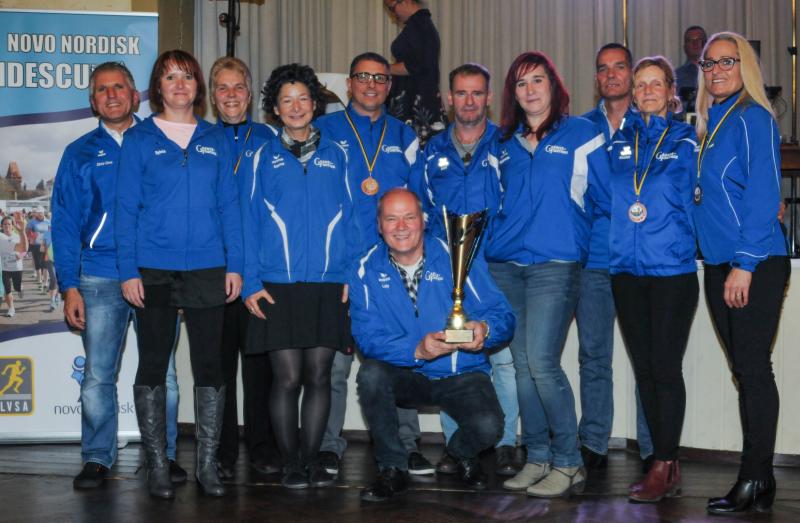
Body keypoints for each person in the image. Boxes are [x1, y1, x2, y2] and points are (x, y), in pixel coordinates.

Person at [51, 62, 188, 491]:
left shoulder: (162, 141)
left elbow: (179, 213)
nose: (111, 95)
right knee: (97, 375)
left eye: (118, 87)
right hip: (98, 277)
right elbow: (64, 224)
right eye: (101, 89)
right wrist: (69, 285)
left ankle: (163, 455)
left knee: (164, 374)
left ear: (135, 95)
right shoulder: (78, 153)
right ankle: (97, 457)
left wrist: (182, 278)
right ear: (93, 101)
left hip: (155, 276)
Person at [116, 50, 242, 499]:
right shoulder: (138, 139)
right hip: (152, 269)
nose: (180, 84)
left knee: (210, 365)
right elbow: (125, 208)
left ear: (197, 86)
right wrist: (127, 270)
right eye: (170, 77)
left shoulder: (215, 138)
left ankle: (207, 466)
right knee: (153, 363)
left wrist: (236, 265)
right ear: (157, 87)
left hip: (208, 267)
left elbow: (230, 207)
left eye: (187, 76)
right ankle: (157, 466)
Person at [486, 51, 610, 498]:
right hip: (507, 267)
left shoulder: (583, 134)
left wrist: (587, 252)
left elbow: (606, 200)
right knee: (521, 368)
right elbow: (492, 204)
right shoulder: (502, 143)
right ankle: (537, 456)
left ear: (553, 85)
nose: (530, 90)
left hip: (556, 266)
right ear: (513, 94)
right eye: (521, 83)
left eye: (537, 79)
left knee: (541, 363)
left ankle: (568, 461)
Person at [314, 51, 434, 477]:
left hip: (391, 270)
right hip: (338, 268)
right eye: (363, 77)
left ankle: (407, 445)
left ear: (389, 86)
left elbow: (420, 203)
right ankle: (327, 446)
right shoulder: (323, 130)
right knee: (334, 367)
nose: (371, 84)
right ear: (349, 83)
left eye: (380, 78)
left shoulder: (404, 135)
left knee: (399, 360)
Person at [352, 188, 513, 502]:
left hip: (460, 373)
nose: (401, 227)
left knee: (489, 427)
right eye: (391, 219)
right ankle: (392, 468)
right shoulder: (364, 269)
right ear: (379, 225)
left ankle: (460, 452)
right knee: (370, 375)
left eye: (409, 217)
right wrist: (415, 350)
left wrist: (485, 329)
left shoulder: (457, 255)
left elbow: (503, 315)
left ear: (423, 221)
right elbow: (367, 337)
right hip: (406, 372)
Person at [242, 63, 359, 489]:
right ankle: (290, 461)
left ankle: (311, 460)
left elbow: (354, 220)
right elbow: (247, 222)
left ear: (315, 104)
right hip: (277, 285)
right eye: (286, 100)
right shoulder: (261, 156)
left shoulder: (339, 154)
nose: (295, 107)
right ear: (275, 108)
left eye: (303, 99)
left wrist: (352, 275)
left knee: (319, 376)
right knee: (288, 378)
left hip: (329, 284)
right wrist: (250, 282)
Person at [694, 32, 790, 515]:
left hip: (751, 264)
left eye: (726, 62)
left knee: (753, 371)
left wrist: (745, 264)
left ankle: (753, 477)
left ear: (744, 65)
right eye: (709, 64)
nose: (716, 71)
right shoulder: (712, 124)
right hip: (720, 264)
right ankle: (761, 479)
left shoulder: (753, 117)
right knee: (745, 372)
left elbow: (762, 194)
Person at [417, 63, 521, 476]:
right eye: (461, 93)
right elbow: (422, 209)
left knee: (503, 361)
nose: (469, 101)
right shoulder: (432, 150)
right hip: (447, 271)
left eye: (477, 93)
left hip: (495, 266)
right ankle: (457, 445)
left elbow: (517, 204)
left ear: (489, 97)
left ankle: (507, 443)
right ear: (449, 99)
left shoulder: (507, 143)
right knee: (452, 356)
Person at [607, 56, 699, 503]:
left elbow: (707, 194)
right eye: (640, 84)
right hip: (626, 271)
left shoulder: (687, 141)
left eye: (655, 83)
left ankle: (663, 462)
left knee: (665, 368)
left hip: (672, 272)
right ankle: (668, 462)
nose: (646, 90)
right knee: (644, 371)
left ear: (670, 92)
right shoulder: (617, 143)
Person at [580, 43, 655, 472]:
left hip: (640, 257)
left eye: (619, 67)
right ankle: (593, 441)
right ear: (596, 78)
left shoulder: (651, 125)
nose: (611, 74)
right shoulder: (579, 128)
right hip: (594, 259)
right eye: (603, 68)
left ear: (631, 73)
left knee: (646, 356)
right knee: (593, 355)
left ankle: (652, 446)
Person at [207, 56, 281, 479]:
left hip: (258, 272)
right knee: (217, 368)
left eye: (238, 87)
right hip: (212, 271)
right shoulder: (200, 140)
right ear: (212, 95)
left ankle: (262, 446)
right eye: (223, 87)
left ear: (250, 94)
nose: (231, 95)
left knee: (259, 367)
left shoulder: (269, 138)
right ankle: (220, 449)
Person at [383, 0, 448, 144]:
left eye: (392, 9)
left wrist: (383, 68)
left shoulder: (419, 25)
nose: (393, 15)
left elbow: (416, 65)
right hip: (415, 99)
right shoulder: (420, 25)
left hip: (415, 103)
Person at [0, 215, 27, 317]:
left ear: (12, 226)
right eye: (4, 224)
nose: (7, 226)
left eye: (9, 224)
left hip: (17, 267)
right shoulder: (1, 237)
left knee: (17, 287)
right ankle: (11, 308)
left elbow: (25, 250)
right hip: (4, 268)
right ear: (2, 226)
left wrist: (20, 256)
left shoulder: (17, 236)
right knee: (7, 290)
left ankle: (20, 288)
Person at [676, 26, 707, 112]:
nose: (695, 43)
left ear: (706, 43)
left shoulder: (717, 72)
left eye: (699, 40)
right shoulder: (676, 76)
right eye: (690, 40)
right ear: (685, 47)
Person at [26, 206, 50, 291]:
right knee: (38, 263)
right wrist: (31, 234)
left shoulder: (48, 221)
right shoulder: (32, 222)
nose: (40, 214)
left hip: (46, 245)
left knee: (45, 264)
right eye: (38, 213)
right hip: (36, 245)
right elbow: (27, 232)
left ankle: (45, 283)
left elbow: (51, 232)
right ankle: (39, 281)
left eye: (41, 213)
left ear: (43, 213)